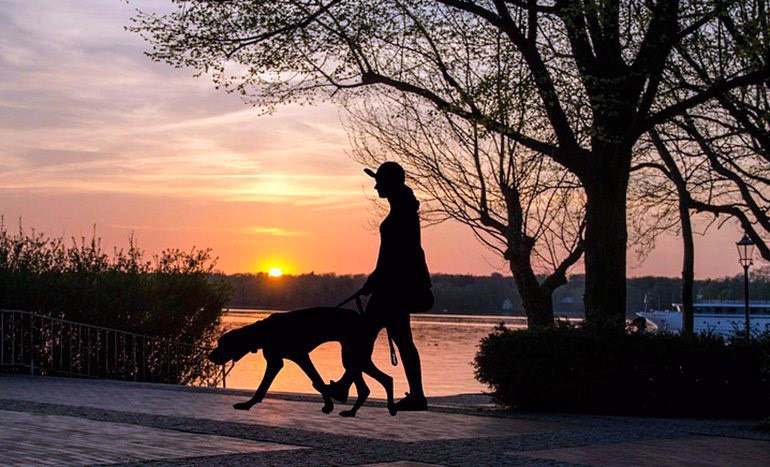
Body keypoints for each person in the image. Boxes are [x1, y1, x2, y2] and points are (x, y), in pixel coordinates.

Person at [330, 161, 434, 411]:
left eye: (379, 182)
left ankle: (347, 386)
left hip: (392, 291)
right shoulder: (403, 209)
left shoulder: (401, 215)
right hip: (392, 289)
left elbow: (393, 257)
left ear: (390, 183)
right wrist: (374, 281)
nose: (376, 187)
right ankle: (414, 395)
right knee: (382, 339)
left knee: (367, 337)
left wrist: (373, 282)